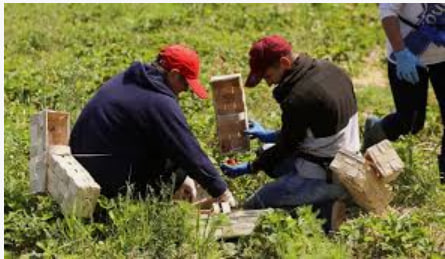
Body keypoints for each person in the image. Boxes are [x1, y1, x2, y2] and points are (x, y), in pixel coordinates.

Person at [220, 35, 360, 231]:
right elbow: (310, 129)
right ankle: (327, 197)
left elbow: (286, 147)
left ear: (284, 63)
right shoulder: (331, 70)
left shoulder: (298, 98)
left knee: (257, 203)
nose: (269, 84)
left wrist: (251, 167)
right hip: (349, 157)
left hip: (327, 175)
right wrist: (269, 136)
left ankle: (327, 213)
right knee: (266, 153)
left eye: (268, 76)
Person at [69, 44, 235, 205]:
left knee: (171, 156)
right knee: (179, 158)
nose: (186, 90)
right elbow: (187, 150)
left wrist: (181, 178)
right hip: (104, 181)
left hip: (84, 164)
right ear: (174, 74)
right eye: (186, 84)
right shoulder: (159, 102)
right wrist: (222, 192)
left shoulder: (128, 80)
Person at [363, 4, 445, 183]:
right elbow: (387, 13)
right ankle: (376, 130)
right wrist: (401, 52)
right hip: (408, 54)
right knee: (411, 122)